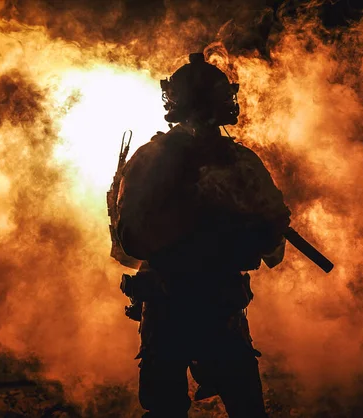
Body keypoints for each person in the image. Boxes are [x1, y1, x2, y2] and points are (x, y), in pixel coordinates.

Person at [112, 52, 291, 418]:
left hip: (187, 308)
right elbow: (131, 239)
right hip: (192, 306)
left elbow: (128, 245)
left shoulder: (152, 160)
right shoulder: (236, 161)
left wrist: (259, 225)